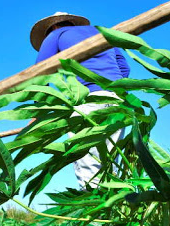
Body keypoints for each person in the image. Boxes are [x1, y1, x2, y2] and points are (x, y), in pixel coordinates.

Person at [30, 11, 130, 189]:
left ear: (53, 26)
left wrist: (38, 112)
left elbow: (40, 74)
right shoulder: (103, 32)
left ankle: (97, 213)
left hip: (88, 101)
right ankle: (115, 212)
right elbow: (124, 67)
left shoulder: (56, 34)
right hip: (116, 101)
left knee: (88, 163)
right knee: (109, 163)